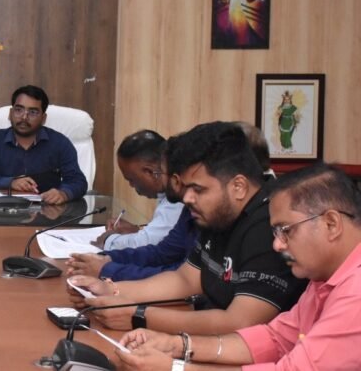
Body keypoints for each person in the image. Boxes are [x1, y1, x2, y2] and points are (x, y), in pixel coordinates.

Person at [114, 164, 361, 370]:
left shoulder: (356, 292)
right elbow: (276, 339)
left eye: (286, 230)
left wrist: (175, 368)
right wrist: (179, 345)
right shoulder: (325, 277)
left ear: (331, 224)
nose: (277, 244)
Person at [67, 122, 307, 335]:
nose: (187, 198)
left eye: (198, 189)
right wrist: (110, 289)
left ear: (238, 187)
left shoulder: (272, 225)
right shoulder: (219, 211)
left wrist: (139, 316)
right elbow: (185, 279)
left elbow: (240, 322)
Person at [67, 133, 196, 281]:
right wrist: (106, 259)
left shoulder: (180, 202)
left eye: (131, 179)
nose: (188, 199)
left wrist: (107, 253)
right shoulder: (178, 203)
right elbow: (161, 251)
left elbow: (176, 275)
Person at [0, 85, 87, 204]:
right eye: (19, 110)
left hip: (47, 211)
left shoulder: (60, 143)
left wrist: (63, 193)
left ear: (43, 118)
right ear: (10, 113)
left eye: (33, 112)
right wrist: (9, 182)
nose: (24, 117)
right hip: (1, 211)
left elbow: (78, 182)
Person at [94, 130, 184, 250]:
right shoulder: (166, 192)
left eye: (131, 179)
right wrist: (138, 230)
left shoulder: (178, 197)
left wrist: (108, 239)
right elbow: (162, 235)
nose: (131, 185)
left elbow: (148, 245)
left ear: (149, 172)